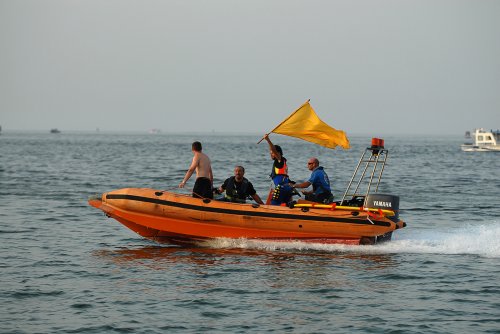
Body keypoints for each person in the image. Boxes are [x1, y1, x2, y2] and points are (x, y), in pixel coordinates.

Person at [263, 133, 294, 205]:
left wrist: (268, 140)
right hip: (287, 188)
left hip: (281, 189)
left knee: (274, 205)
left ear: (278, 153)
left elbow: (274, 150)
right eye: (270, 153)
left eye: (272, 153)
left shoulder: (280, 160)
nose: (271, 154)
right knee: (287, 205)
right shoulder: (283, 163)